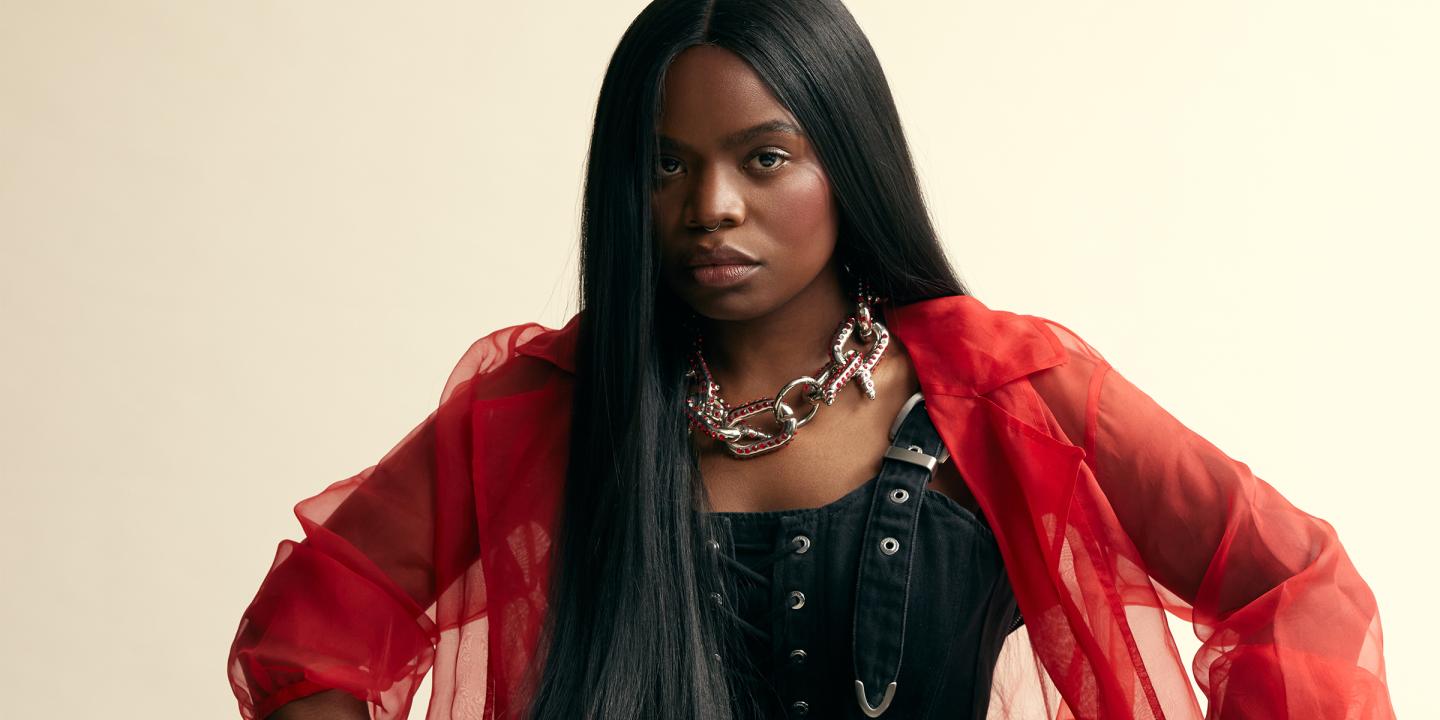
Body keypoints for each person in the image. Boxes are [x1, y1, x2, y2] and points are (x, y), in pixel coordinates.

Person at [226, 1, 1395, 718]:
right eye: (667, 164)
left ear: (848, 160)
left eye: (766, 157)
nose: (712, 207)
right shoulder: (548, 411)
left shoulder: (1003, 393)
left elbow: (1295, 588)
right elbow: (310, 634)